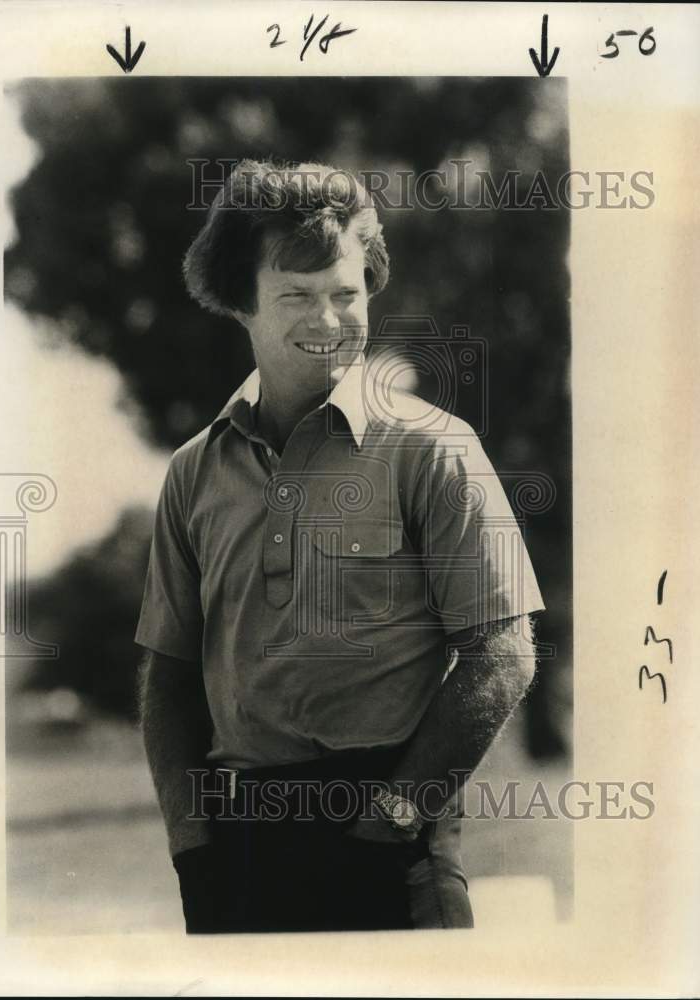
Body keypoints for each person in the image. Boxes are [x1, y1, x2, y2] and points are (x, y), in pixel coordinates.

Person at [135, 159, 545, 933]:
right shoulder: (193, 470)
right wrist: (192, 843)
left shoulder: (433, 447)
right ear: (240, 306)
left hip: (394, 840)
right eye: (295, 296)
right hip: (239, 847)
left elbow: (502, 652)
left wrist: (392, 816)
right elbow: (169, 673)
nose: (327, 322)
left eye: (344, 295)